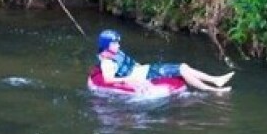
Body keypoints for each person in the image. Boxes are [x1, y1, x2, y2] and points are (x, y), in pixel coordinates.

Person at [96, 29, 233, 93]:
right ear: (107, 46)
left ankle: (215, 80)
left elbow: (130, 63)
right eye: (115, 43)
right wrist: (127, 79)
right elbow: (108, 80)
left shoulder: (115, 52)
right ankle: (212, 88)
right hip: (141, 75)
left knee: (183, 66)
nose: (118, 45)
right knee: (181, 69)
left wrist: (138, 66)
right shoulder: (107, 62)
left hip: (144, 69)